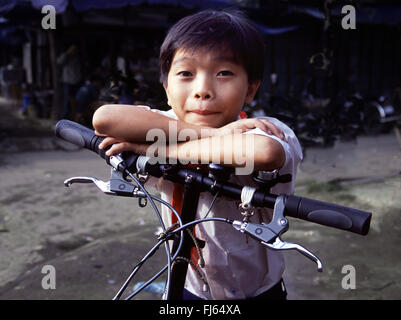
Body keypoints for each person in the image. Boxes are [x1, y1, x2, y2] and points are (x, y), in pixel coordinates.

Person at [92, 9, 303, 300]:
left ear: (250, 90)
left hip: (255, 293)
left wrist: (153, 148)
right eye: (186, 74)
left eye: (224, 73)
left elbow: (264, 152)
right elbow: (104, 118)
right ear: (167, 90)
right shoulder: (169, 125)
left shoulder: (264, 130)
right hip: (189, 287)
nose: (203, 90)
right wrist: (212, 135)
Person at [57, 43, 82, 119]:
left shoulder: (77, 57)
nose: (74, 51)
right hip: (67, 81)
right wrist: (67, 53)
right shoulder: (66, 56)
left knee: (76, 100)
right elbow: (59, 62)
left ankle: (73, 116)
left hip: (76, 81)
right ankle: (64, 117)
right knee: (67, 100)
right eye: (72, 49)